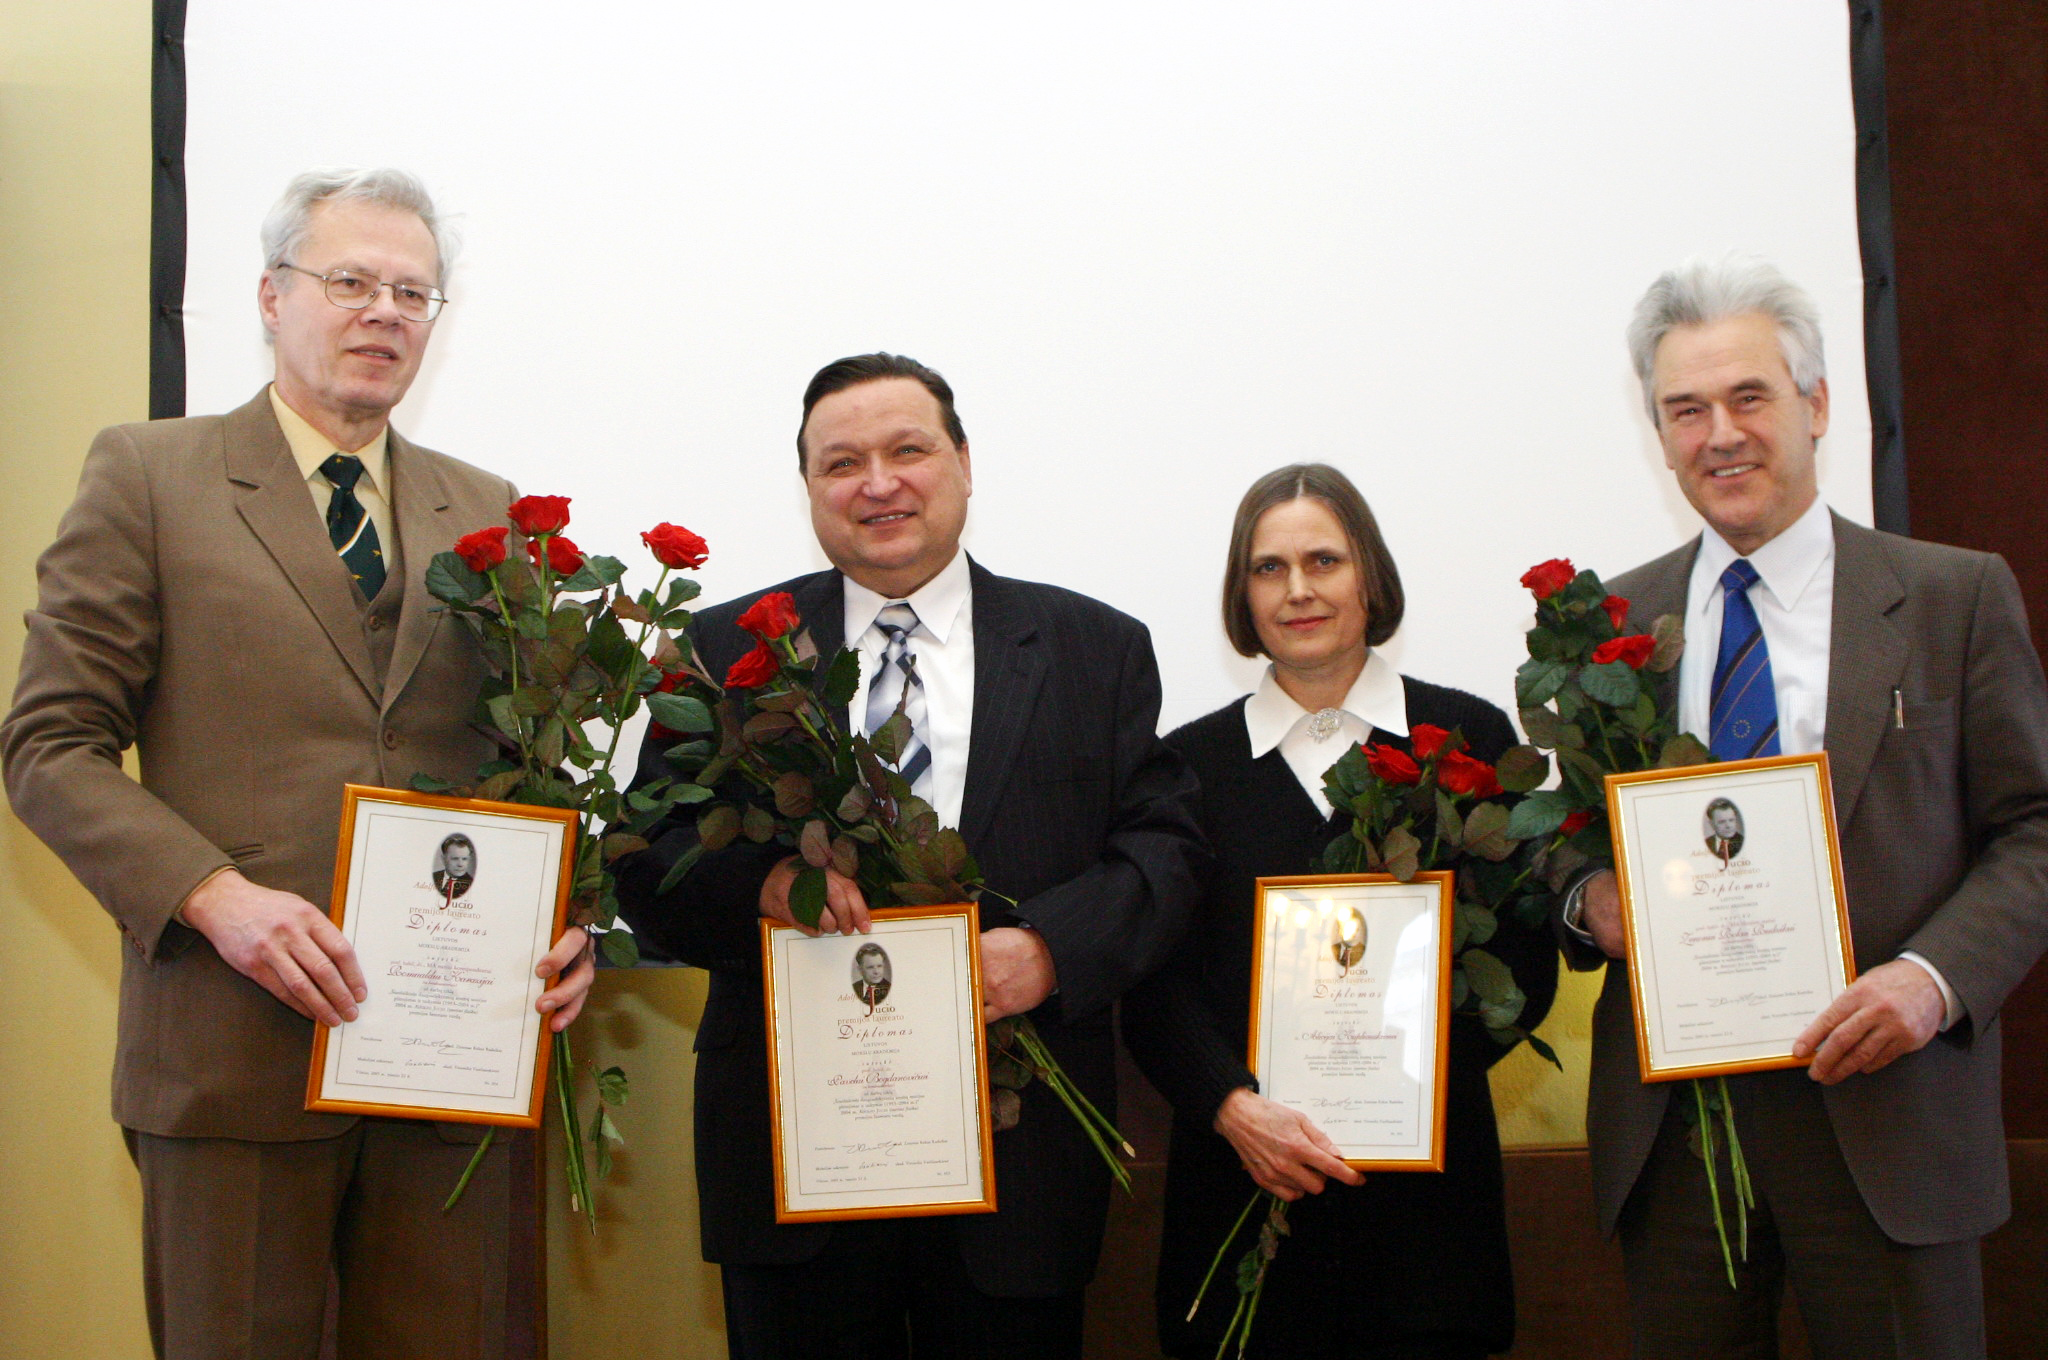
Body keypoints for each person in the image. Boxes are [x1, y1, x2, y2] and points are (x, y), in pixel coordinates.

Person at [1, 168, 594, 1360]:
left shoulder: (485, 511)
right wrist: (215, 900)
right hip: (229, 1050)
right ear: (272, 298)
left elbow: (534, 763)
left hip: (449, 1065)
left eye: (413, 292)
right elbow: (49, 746)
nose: (384, 311)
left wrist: (569, 915)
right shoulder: (149, 475)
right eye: (350, 281)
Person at [615, 352, 1206, 1359]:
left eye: (906, 450)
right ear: (807, 488)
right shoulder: (721, 649)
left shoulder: (1091, 647)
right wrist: (759, 882)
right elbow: (643, 858)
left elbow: (1163, 852)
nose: (876, 482)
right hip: (795, 1157)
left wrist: (1051, 952)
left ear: (964, 463)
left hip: (1016, 1169)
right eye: (840, 462)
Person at [1561, 255, 2048, 1359]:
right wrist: (1588, 900)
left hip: (1890, 1114)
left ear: (1816, 404)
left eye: (1748, 397)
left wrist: (1928, 984)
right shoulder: (1608, 619)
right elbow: (1569, 842)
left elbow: (2034, 828)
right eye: (1684, 409)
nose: (1718, 434)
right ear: (1657, 430)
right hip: (1677, 1135)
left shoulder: (1948, 595)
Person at [1122, 463, 1559, 1360]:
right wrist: (1235, 1107)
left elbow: (1523, 960)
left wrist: (1400, 1089)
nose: (1299, 590)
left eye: (1323, 559)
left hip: (1427, 1232)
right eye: (1269, 569)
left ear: (1370, 575)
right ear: (1243, 597)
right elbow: (1157, 988)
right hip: (1243, 1202)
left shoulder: (1466, 738)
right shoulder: (1184, 767)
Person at [435, 833, 478, 898]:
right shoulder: (434, 877)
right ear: (443, 859)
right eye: (455, 859)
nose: (460, 864)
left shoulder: (473, 884)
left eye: (464, 859)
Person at [1704, 799, 1743, 865]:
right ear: (1711, 824)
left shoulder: (1742, 842)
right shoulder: (1707, 842)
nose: (1728, 826)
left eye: (1731, 820)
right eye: (1722, 822)